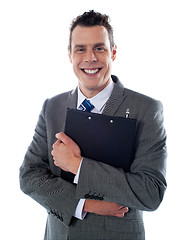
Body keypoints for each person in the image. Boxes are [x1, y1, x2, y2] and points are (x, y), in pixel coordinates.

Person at [19, 10, 167, 240]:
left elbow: (150, 192)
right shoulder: (52, 107)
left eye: (99, 48)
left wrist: (79, 166)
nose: (90, 58)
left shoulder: (146, 110)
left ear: (113, 53)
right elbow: (29, 176)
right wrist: (85, 204)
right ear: (69, 54)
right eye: (80, 49)